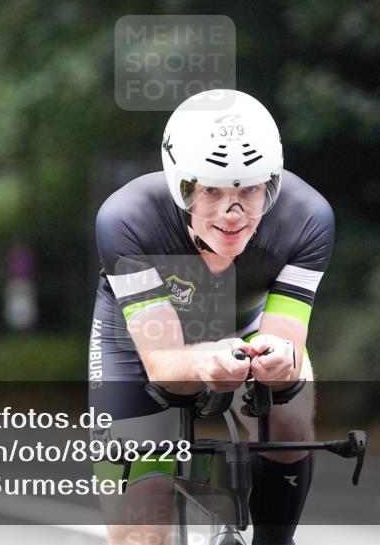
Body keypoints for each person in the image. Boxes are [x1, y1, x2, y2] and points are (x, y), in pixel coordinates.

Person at [89, 89, 335, 545]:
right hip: (137, 345)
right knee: (141, 536)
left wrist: (280, 362)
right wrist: (206, 364)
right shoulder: (126, 219)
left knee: (290, 421)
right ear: (180, 185)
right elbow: (163, 366)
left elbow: (286, 345)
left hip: (244, 328)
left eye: (250, 190)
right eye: (211, 191)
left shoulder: (307, 218)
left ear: (273, 184)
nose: (232, 213)